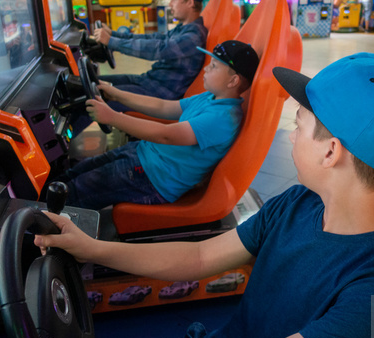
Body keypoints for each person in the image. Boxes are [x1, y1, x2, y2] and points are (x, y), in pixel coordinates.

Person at [9, 53, 374, 338]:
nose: (292, 135)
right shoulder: (298, 204)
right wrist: (92, 248)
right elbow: (200, 257)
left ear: (331, 151)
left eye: (298, 125)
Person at [59, 40, 258, 211]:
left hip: (154, 178)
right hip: (143, 155)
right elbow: (163, 106)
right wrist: (115, 93)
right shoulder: (211, 97)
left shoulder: (222, 118)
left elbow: (166, 135)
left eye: (214, 66)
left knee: (76, 191)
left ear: (233, 80)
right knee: (76, 172)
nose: (206, 68)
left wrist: (112, 117)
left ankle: (38, 229)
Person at [91, 0, 208, 101]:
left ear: (190, 2)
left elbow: (157, 49)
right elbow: (153, 38)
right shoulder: (184, 29)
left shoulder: (193, 37)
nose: (170, 4)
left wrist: (112, 42)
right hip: (148, 81)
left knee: (93, 96)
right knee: (95, 82)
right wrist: (113, 35)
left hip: (159, 95)